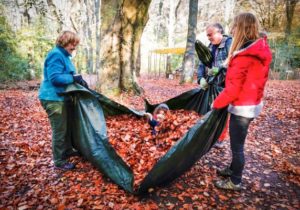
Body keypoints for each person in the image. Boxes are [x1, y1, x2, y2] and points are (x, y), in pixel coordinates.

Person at [212, 12, 272, 190]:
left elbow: (233, 89)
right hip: (251, 103)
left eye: (235, 26)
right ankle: (232, 169)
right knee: (236, 142)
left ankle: (235, 181)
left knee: (237, 146)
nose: (231, 29)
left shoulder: (245, 56)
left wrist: (215, 105)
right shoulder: (256, 50)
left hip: (242, 107)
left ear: (242, 28)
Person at [39, 31, 88, 170]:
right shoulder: (56, 54)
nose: (74, 47)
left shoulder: (65, 56)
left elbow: (68, 74)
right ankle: (59, 161)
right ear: (65, 42)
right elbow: (55, 78)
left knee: (66, 126)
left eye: (75, 44)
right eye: (72, 44)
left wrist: (79, 79)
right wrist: (73, 78)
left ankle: (67, 150)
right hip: (53, 98)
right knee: (59, 130)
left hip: (62, 97)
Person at [197, 23, 232, 147]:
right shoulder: (211, 46)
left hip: (227, 85)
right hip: (213, 84)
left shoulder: (229, 43)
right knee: (211, 109)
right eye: (207, 36)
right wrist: (201, 78)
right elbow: (202, 63)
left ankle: (220, 139)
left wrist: (221, 68)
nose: (209, 38)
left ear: (219, 32)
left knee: (223, 112)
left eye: (210, 35)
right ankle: (209, 135)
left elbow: (233, 60)